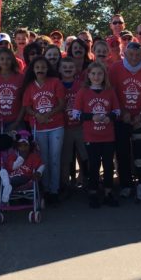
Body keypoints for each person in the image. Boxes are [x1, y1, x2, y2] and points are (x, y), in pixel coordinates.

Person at [109, 41, 141, 200]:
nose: (134, 58)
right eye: (131, 54)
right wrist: (122, 113)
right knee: (122, 153)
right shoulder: (115, 68)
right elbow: (112, 94)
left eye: (137, 55)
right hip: (122, 118)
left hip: (140, 119)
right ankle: (126, 185)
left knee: (140, 153)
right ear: (125, 53)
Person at [73, 62, 120, 208]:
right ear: (88, 75)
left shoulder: (110, 91)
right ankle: (93, 192)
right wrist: (90, 117)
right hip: (91, 136)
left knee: (107, 164)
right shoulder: (83, 91)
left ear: (104, 75)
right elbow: (76, 114)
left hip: (108, 135)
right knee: (93, 165)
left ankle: (108, 192)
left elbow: (117, 111)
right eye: (93, 73)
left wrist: (110, 117)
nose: (96, 76)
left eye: (100, 73)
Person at [22, 56, 66, 205]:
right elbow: (27, 107)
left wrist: (47, 115)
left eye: (43, 67)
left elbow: (61, 104)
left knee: (54, 158)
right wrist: (37, 115)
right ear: (33, 70)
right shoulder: (29, 87)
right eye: (37, 67)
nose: (40, 69)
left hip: (56, 127)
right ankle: (45, 189)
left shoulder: (55, 82)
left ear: (48, 69)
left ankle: (54, 190)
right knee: (43, 159)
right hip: (38, 128)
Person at [59, 57, 88, 192]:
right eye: (65, 67)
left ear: (75, 69)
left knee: (84, 155)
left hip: (80, 126)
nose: (68, 69)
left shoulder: (81, 85)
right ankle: (66, 184)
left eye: (70, 67)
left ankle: (84, 181)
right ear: (60, 69)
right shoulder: (57, 85)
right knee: (66, 158)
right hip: (64, 127)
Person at [0, 131, 44, 204]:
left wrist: (39, 172)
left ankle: (7, 186)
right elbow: (12, 167)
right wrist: (21, 158)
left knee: (10, 179)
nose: (23, 148)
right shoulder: (13, 155)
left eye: (25, 145)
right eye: (20, 145)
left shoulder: (32, 156)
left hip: (25, 177)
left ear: (30, 146)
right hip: (12, 176)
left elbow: (41, 165)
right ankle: (7, 186)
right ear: (17, 146)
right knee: (3, 171)